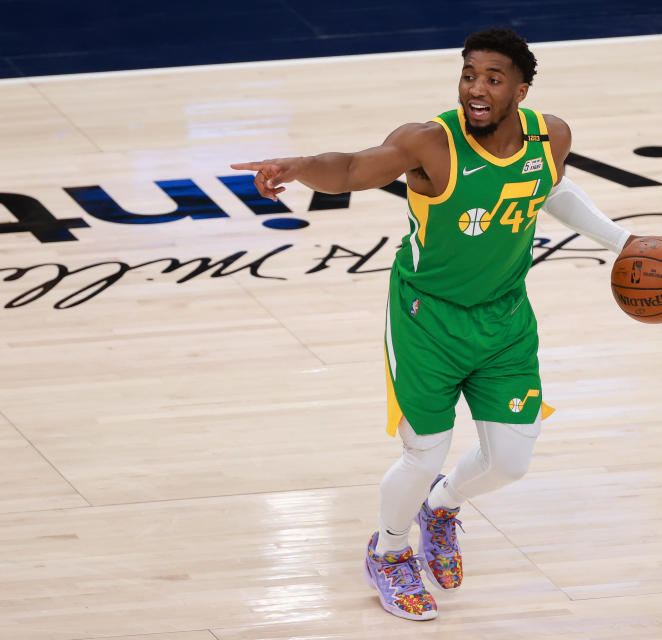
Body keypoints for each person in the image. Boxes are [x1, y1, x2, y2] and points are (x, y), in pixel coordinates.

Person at [231, 27, 636, 622]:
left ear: (520, 90)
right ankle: (389, 553)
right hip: (426, 318)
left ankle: (441, 509)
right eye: (469, 75)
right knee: (423, 455)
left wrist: (624, 241)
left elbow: (549, 186)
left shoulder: (551, 135)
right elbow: (348, 168)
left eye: (493, 79)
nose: (476, 89)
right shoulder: (429, 144)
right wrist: (294, 165)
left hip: (505, 317)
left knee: (510, 462)